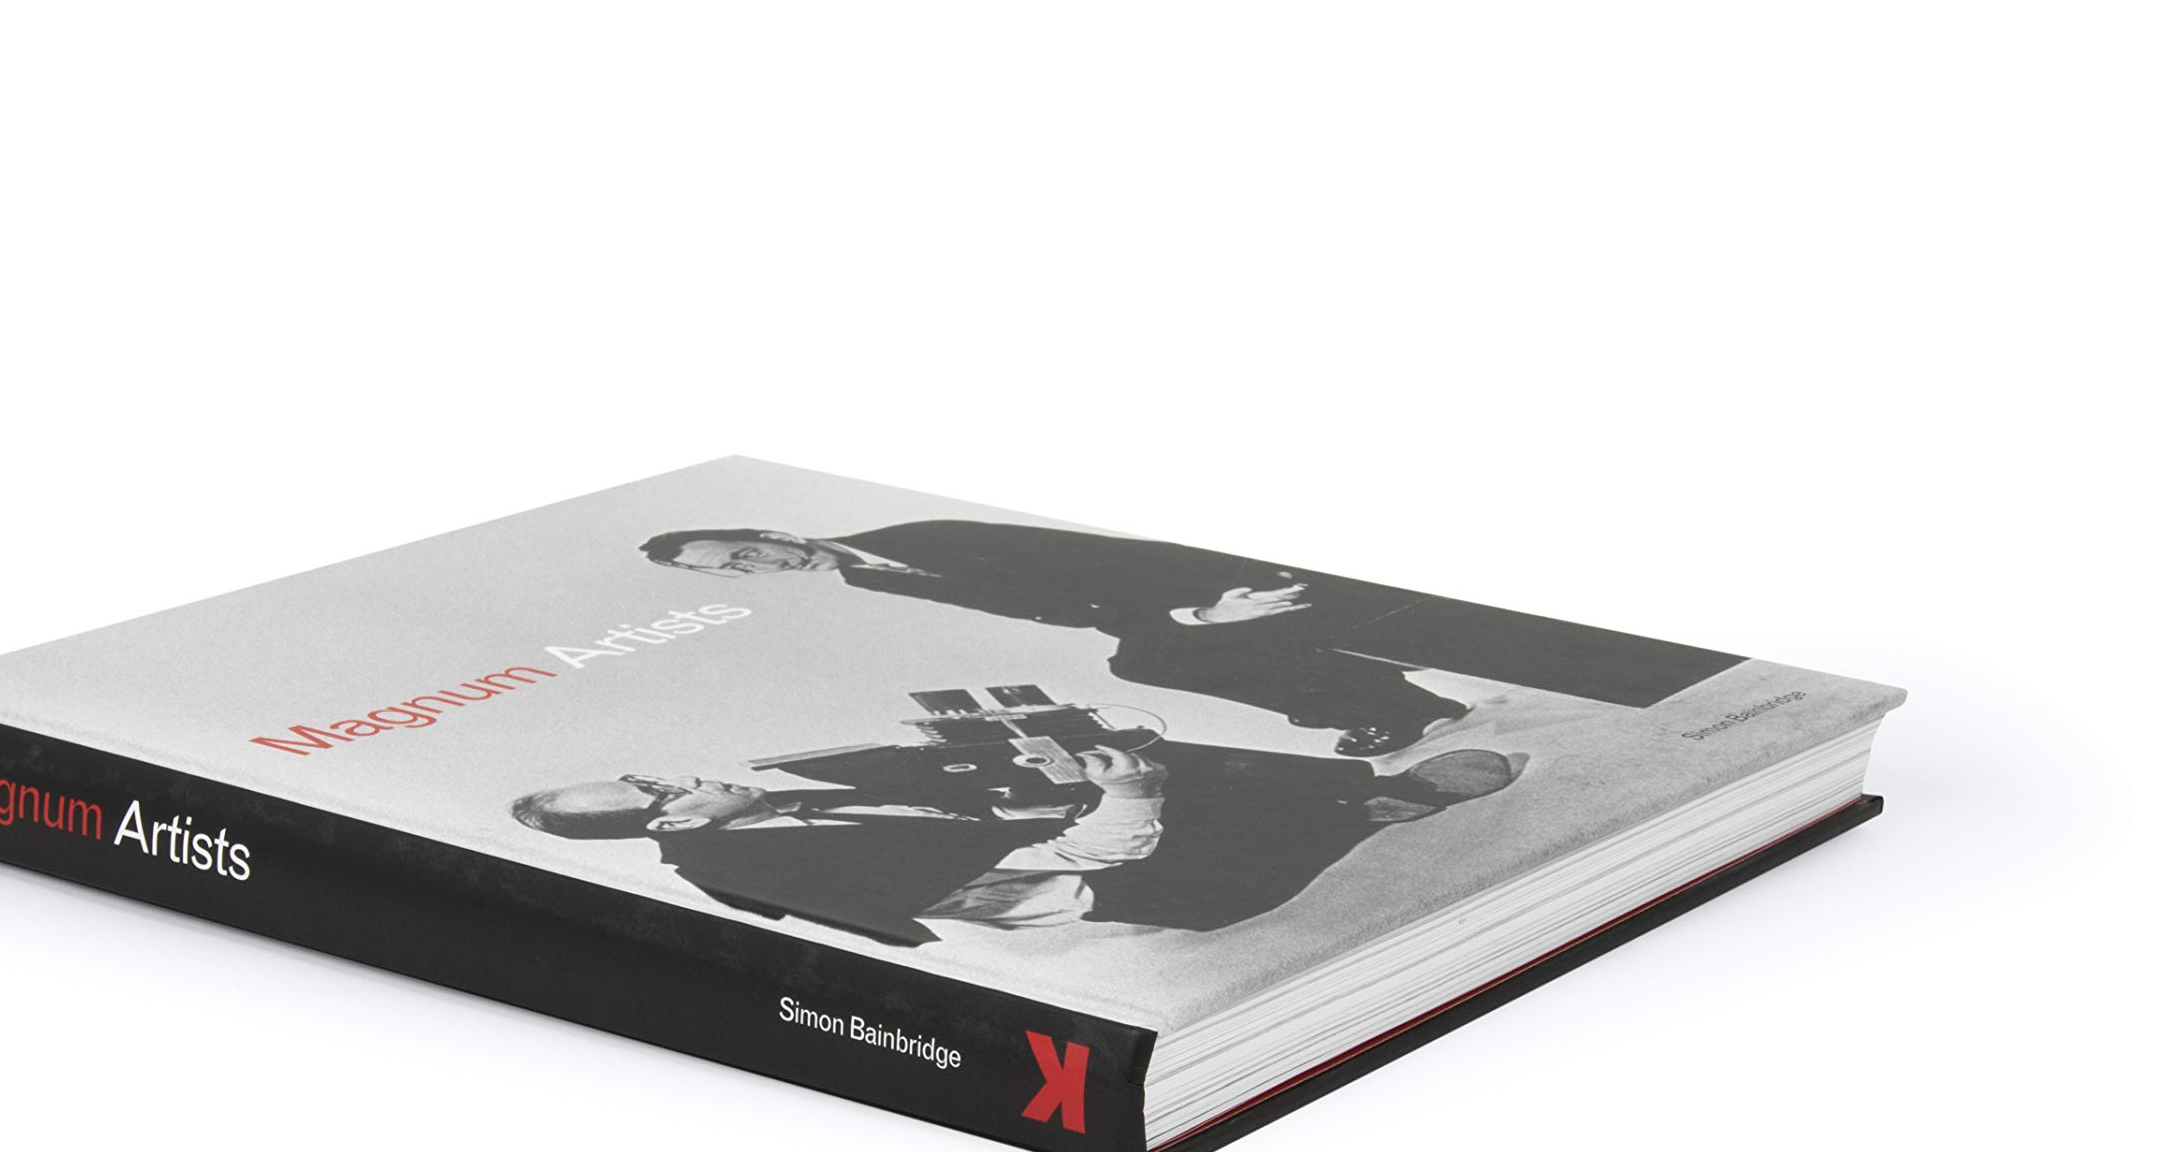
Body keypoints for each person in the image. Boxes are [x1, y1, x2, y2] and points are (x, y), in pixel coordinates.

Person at [636, 519, 1742, 755]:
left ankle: (1392, 701)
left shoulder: (913, 537)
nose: (755, 571)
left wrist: (1208, 603)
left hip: (1219, 574)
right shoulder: (868, 581)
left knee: (1153, 646)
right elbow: (1061, 614)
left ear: (767, 530)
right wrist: (1180, 626)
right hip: (1177, 607)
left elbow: (1102, 566)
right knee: (1145, 655)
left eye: (744, 552)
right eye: (727, 577)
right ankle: (1402, 707)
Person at [510, 740, 1521, 945]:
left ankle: (1369, 781)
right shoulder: (749, 858)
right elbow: (1093, 860)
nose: (679, 772)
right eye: (659, 789)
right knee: (1160, 786)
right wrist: (1126, 788)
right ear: (670, 823)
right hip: (1168, 883)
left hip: (1094, 842)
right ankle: (1385, 805)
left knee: (1126, 750)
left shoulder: (774, 808)